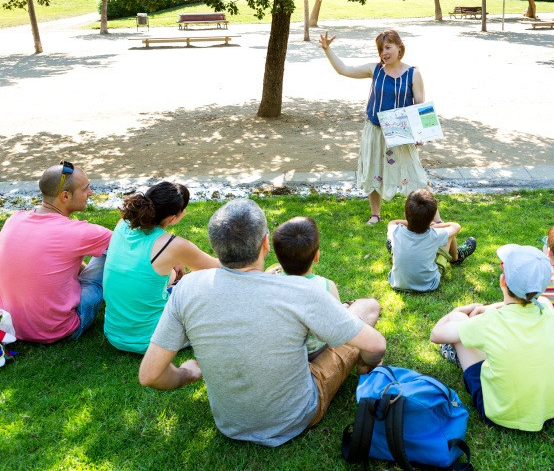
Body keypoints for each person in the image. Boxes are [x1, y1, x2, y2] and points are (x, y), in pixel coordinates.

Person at [138, 199, 386, 447]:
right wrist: (364, 364)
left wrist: (186, 374)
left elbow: (150, 375)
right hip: (297, 416)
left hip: (229, 423)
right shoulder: (301, 290)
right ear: (266, 243)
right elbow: (376, 346)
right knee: (367, 308)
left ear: (215, 247)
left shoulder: (188, 288)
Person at [430, 244, 554, 432]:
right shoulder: (547, 307)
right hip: (551, 408)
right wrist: (488, 307)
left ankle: (454, 350)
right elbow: (526, 302)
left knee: (458, 322)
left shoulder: (489, 322)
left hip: (500, 414)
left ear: (503, 281)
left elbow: (436, 335)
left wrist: (456, 311)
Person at [319, 29, 437, 225]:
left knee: (415, 175)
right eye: (381, 49)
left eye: (388, 47)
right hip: (374, 130)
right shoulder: (375, 70)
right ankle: (375, 215)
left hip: (401, 134)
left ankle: (434, 218)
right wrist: (327, 49)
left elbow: (420, 107)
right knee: (374, 170)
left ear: (399, 47)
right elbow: (344, 69)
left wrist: (419, 134)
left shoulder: (413, 73)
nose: (384, 53)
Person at [102, 181, 220, 354]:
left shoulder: (124, 223)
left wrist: (175, 259)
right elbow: (217, 267)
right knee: (206, 289)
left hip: (115, 334)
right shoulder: (172, 245)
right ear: (173, 218)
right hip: (154, 341)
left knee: (173, 281)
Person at [0, 161, 112, 342]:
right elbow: (129, 244)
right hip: (58, 330)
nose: (90, 193)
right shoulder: (78, 232)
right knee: (108, 257)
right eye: (85, 189)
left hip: (11, 325)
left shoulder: (14, 219)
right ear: (65, 196)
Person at [270, 216, 341, 360]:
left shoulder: (268, 283)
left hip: (282, 353)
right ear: (316, 256)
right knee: (368, 307)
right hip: (315, 353)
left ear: (277, 257)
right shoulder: (327, 286)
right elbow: (338, 329)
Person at [386, 189, 476, 292]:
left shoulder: (396, 231)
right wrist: (436, 225)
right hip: (429, 284)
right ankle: (456, 257)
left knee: (390, 241)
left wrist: (412, 221)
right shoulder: (435, 234)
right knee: (449, 235)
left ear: (405, 215)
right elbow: (456, 226)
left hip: (397, 283)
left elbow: (393, 222)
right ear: (432, 217)